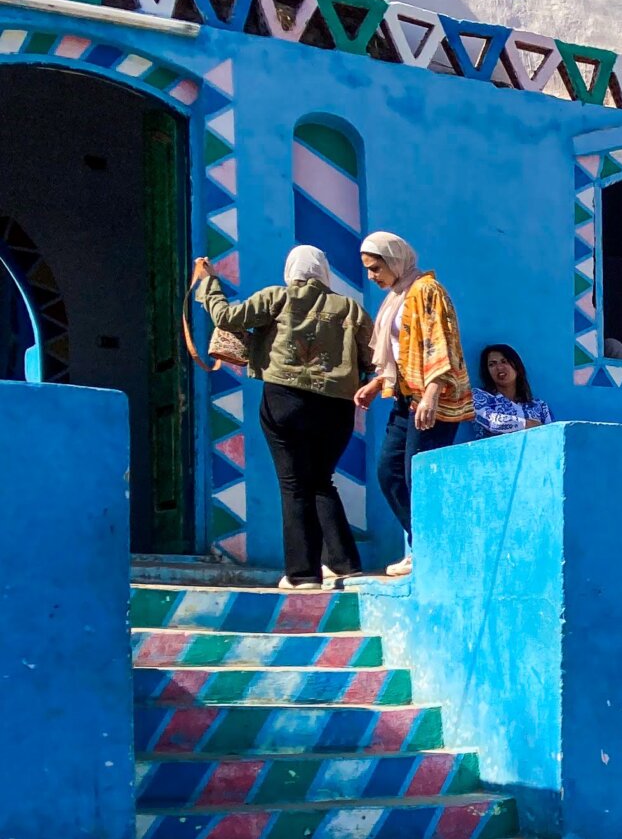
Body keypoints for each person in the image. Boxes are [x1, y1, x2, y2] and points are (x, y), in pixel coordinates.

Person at [190, 246, 372, 589]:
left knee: (294, 485)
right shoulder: (350, 309)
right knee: (321, 480)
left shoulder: (277, 297)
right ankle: (345, 564)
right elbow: (371, 357)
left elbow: (227, 318)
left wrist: (210, 284)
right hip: (336, 407)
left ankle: (303, 574)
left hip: (285, 400)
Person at [352, 231, 472, 579]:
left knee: (416, 477)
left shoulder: (427, 291)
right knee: (388, 473)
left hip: (432, 400)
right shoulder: (398, 296)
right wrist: (377, 382)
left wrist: (432, 393)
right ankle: (426, 545)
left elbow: (440, 341)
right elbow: (400, 351)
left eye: (376, 268)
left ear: (394, 261)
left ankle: (430, 551)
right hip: (406, 399)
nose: (372, 276)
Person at [469, 343, 553, 437]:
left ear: (516, 366)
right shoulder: (478, 397)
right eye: (492, 364)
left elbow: (552, 435)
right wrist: (528, 424)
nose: (499, 367)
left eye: (504, 361)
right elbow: (492, 422)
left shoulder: (540, 406)